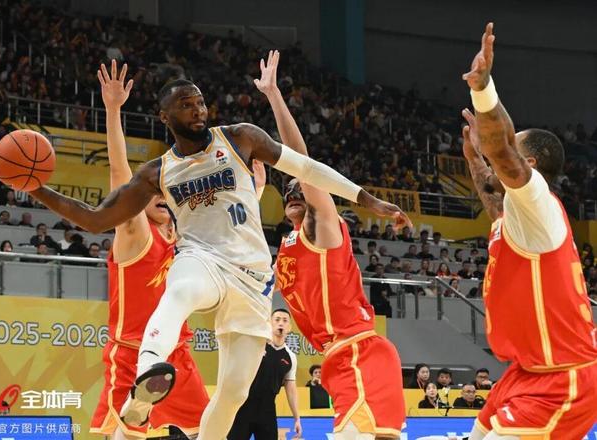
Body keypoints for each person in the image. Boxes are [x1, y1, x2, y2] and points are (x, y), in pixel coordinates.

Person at [27, 60, 408, 438]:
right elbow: (96, 219)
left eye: (200, 102)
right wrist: (35, 188)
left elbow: (307, 168)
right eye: (186, 104)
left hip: (253, 281)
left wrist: (369, 200)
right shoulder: (157, 172)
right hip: (202, 259)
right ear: (165, 117)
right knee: (181, 291)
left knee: (233, 394)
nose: (197, 109)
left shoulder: (240, 137)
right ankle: (148, 373)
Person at [260, 51, 409, 439]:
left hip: (360, 350)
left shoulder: (322, 227)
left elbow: (302, 162)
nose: (293, 190)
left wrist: (275, 97)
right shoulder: (286, 245)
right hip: (338, 357)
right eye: (287, 189)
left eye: (300, 186)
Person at [462, 23, 597, 440]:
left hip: (562, 378)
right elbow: (493, 199)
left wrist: (483, 91)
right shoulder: (516, 217)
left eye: (510, 150)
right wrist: (475, 161)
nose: (497, 155)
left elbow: (501, 150)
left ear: (531, 166)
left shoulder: (537, 201)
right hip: (526, 371)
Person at [89, 61, 208, 440]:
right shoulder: (135, 233)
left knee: (209, 430)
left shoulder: (182, 239)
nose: (158, 193)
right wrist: (112, 111)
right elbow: (119, 176)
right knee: (124, 434)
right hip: (132, 353)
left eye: (163, 189)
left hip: (177, 353)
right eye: (150, 190)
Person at [227, 309, 302, 439]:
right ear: (270, 323)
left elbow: (291, 390)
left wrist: (297, 418)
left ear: (289, 327)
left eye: (285, 321)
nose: (281, 323)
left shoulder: (290, 357)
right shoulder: (256, 345)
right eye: (277, 320)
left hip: (267, 411)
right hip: (244, 407)